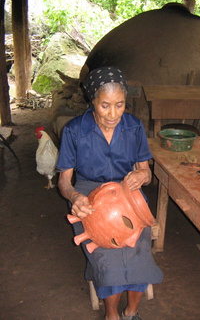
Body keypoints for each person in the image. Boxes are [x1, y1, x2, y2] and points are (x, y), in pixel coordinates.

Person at [56, 66, 163, 320]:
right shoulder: (74, 130)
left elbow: (145, 172)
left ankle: (131, 311)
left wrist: (142, 175)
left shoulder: (134, 127)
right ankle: (112, 314)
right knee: (106, 249)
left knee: (138, 244)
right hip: (88, 192)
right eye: (105, 106)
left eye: (120, 105)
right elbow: (64, 181)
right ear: (92, 101)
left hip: (126, 191)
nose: (113, 114)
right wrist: (74, 198)